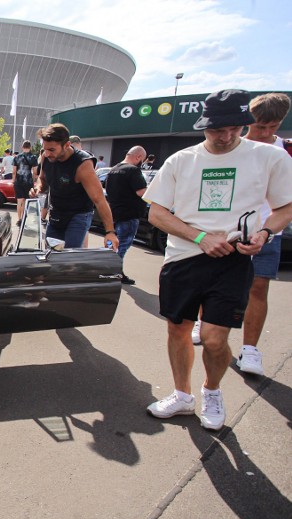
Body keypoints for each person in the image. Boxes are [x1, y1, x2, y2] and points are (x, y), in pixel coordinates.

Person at [143, 89, 292, 431]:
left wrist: (265, 233)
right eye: (216, 130)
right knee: (178, 330)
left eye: (235, 129)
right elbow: (157, 213)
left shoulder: (269, 157)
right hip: (183, 258)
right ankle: (182, 395)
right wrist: (199, 236)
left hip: (233, 260)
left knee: (213, 338)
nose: (226, 137)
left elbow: (286, 206)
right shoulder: (182, 160)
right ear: (203, 127)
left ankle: (212, 389)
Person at [236, 92, 291, 375]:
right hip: (227, 231)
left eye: (273, 126)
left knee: (259, 287)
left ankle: (250, 349)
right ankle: (203, 322)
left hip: (268, 232)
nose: (266, 133)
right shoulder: (232, 147)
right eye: (260, 127)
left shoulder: (287, 151)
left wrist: (269, 230)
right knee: (209, 284)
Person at [30, 124, 118, 250]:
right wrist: (38, 188)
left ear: (66, 145)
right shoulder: (46, 156)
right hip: (56, 212)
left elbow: (99, 199)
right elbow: (42, 179)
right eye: (45, 149)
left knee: (69, 255)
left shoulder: (82, 164)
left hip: (78, 215)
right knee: (51, 253)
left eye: (52, 150)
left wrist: (110, 232)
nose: (47, 153)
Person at [103, 146, 148, 285]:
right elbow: (142, 192)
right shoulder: (133, 170)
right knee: (122, 245)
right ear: (139, 157)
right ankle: (115, 273)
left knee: (112, 245)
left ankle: (107, 269)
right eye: (143, 160)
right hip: (129, 215)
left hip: (114, 214)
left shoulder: (113, 170)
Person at [12, 140, 39, 226]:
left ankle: (19, 219)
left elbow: (14, 171)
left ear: (22, 147)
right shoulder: (33, 157)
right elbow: (35, 172)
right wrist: (35, 181)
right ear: (30, 147)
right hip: (28, 181)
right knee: (25, 201)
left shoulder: (17, 157)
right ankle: (23, 218)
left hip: (18, 181)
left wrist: (13, 180)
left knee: (19, 201)